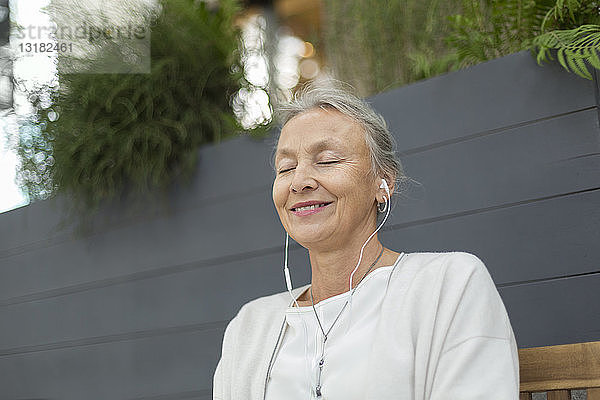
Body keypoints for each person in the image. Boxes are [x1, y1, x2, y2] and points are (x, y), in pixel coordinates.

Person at [213, 79, 519, 400]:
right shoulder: (250, 326)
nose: (299, 182)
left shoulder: (448, 285)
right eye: (286, 168)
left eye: (327, 160)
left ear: (382, 182)